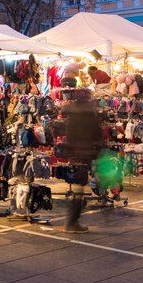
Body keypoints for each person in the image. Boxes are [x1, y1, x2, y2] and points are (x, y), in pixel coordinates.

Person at [62, 93, 102, 233]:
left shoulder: (72, 115)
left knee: (78, 186)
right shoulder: (89, 115)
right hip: (85, 152)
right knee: (80, 187)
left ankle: (72, 220)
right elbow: (97, 133)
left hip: (75, 153)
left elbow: (69, 134)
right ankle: (72, 221)